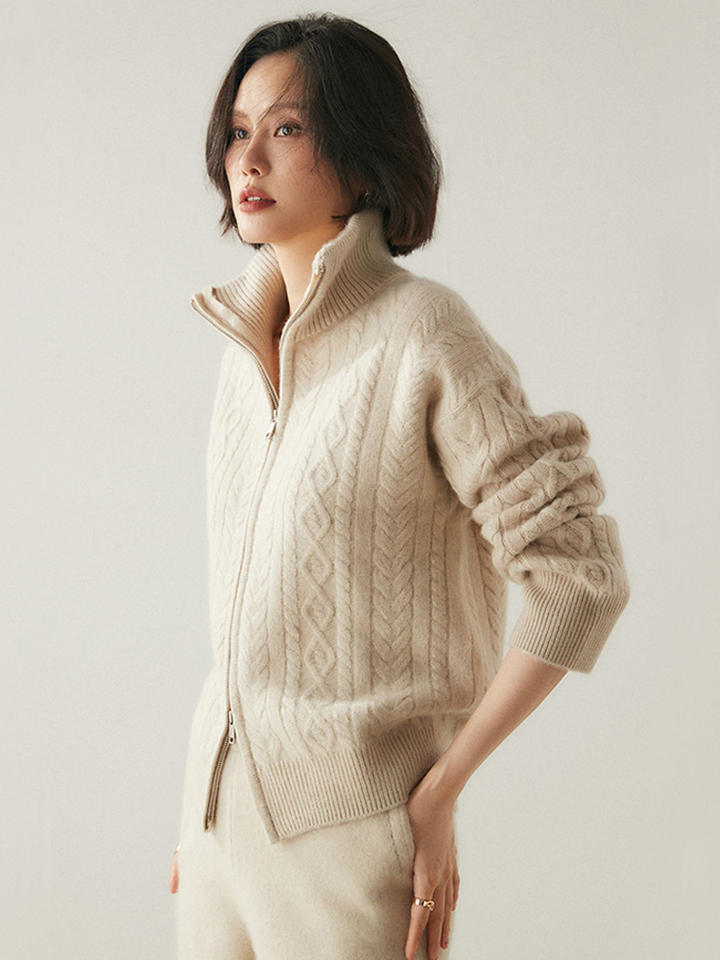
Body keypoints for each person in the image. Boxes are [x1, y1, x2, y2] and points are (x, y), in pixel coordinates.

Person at [169, 13, 630, 960]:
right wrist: (202, 820)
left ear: (361, 149)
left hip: (350, 843)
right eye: (238, 130)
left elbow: (579, 576)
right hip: (211, 831)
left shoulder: (426, 335)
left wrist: (440, 791)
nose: (248, 157)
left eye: (288, 128)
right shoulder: (238, 354)